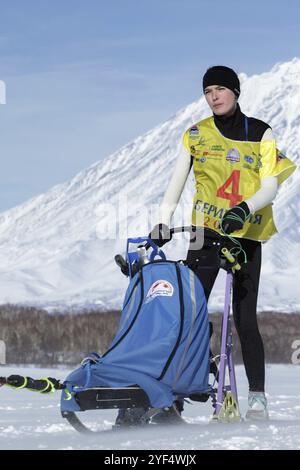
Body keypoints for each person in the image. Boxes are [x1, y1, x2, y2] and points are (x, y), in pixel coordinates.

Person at [149, 65, 296, 421]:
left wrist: (243, 209)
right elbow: (176, 182)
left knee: (245, 318)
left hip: (245, 233)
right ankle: (173, 399)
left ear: (235, 92)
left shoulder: (260, 132)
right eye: (207, 91)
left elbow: (271, 185)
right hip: (204, 233)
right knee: (190, 316)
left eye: (220, 89)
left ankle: (257, 398)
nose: (213, 96)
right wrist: (162, 223)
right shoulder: (195, 134)